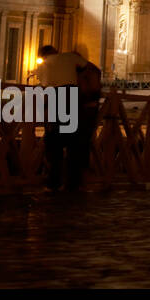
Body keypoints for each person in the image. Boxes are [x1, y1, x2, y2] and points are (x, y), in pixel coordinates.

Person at [38, 46, 100, 191]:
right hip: (70, 94)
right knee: (73, 139)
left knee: (54, 140)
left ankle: (54, 181)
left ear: (43, 56)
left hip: (53, 96)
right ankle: (73, 182)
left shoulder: (41, 67)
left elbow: (44, 86)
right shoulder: (69, 57)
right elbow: (92, 68)